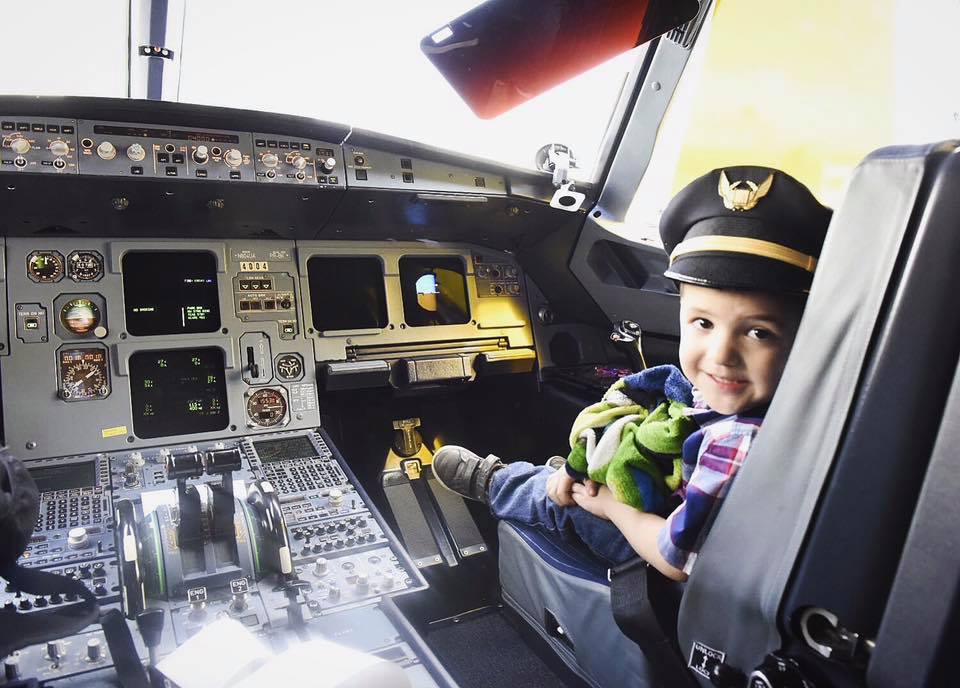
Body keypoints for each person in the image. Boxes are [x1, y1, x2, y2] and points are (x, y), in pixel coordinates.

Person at [432, 165, 832, 581]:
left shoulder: (737, 441)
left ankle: (498, 483)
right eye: (703, 323)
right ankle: (569, 475)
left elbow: (677, 561)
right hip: (671, 498)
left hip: (656, 556)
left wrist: (609, 505)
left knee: (562, 504)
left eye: (757, 331)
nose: (722, 354)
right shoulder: (787, 404)